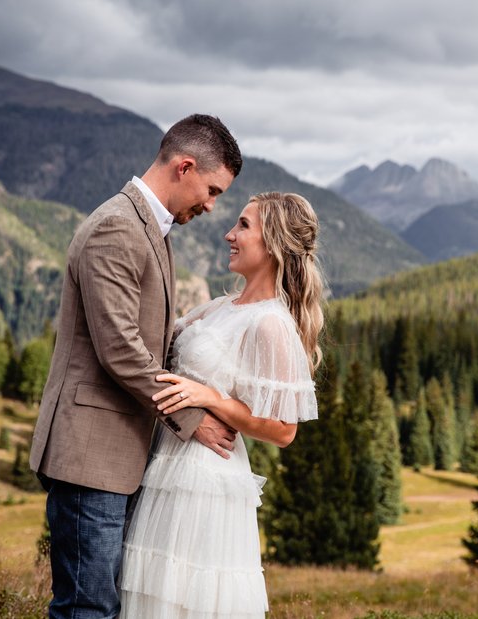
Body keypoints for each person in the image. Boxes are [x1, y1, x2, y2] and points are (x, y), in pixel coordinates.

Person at [29, 114, 243, 619]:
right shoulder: (117, 228)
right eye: (211, 190)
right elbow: (122, 350)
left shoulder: (151, 229)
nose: (211, 206)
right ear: (185, 166)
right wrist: (192, 420)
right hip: (89, 457)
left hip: (113, 457)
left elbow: (151, 330)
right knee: (87, 608)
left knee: (102, 605)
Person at [119, 191, 325, 618]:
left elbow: (284, 430)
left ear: (274, 243)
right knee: (151, 593)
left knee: (190, 598)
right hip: (167, 464)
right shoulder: (220, 307)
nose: (230, 234)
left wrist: (213, 399)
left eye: (244, 226)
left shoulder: (271, 323)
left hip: (207, 479)